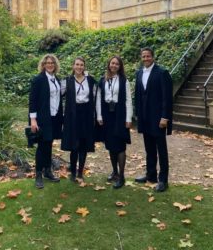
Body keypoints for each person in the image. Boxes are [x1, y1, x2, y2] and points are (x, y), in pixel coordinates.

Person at [134, 47, 173, 192]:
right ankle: (151, 175)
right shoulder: (139, 73)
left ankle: (163, 180)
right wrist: (137, 114)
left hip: (158, 119)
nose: (145, 58)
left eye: (148, 56)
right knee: (149, 148)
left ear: (153, 57)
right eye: (143, 56)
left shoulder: (162, 73)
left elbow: (167, 98)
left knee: (161, 150)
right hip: (144, 118)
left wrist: (165, 117)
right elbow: (138, 96)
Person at [96, 56, 132, 189]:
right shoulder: (102, 80)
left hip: (120, 115)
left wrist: (128, 118)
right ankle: (115, 172)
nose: (114, 65)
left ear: (120, 66)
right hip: (107, 115)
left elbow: (128, 100)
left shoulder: (124, 81)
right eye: (112, 63)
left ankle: (122, 176)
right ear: (109, 64)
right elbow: (99, 99)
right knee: (110, 145)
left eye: (117, 64)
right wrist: (99, 115)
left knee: (120, 145)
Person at [29, 54, 63, 189]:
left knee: (49, 144)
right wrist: (33, 120)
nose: (50, 65)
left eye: (52, 63)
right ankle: (38, 174)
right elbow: (32, 100)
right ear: (43, 65)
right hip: (43, 118)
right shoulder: (39, 80)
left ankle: (48, 171)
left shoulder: (57, 80)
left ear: (55, 65)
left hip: (54, 118)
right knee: (42, 146)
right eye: (47, 63)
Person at [61, 57, 97, 182]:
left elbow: (96, 97)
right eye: (77, 64)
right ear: (73, 66)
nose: (79, 67)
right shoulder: (67, 81)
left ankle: (81, 172)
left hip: (86, 115)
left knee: (83, 144)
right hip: (72, 115)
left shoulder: (90, 80)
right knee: (74, 145)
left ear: (84, 67)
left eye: (81, 65)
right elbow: (57, 95)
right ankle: (73, 173)